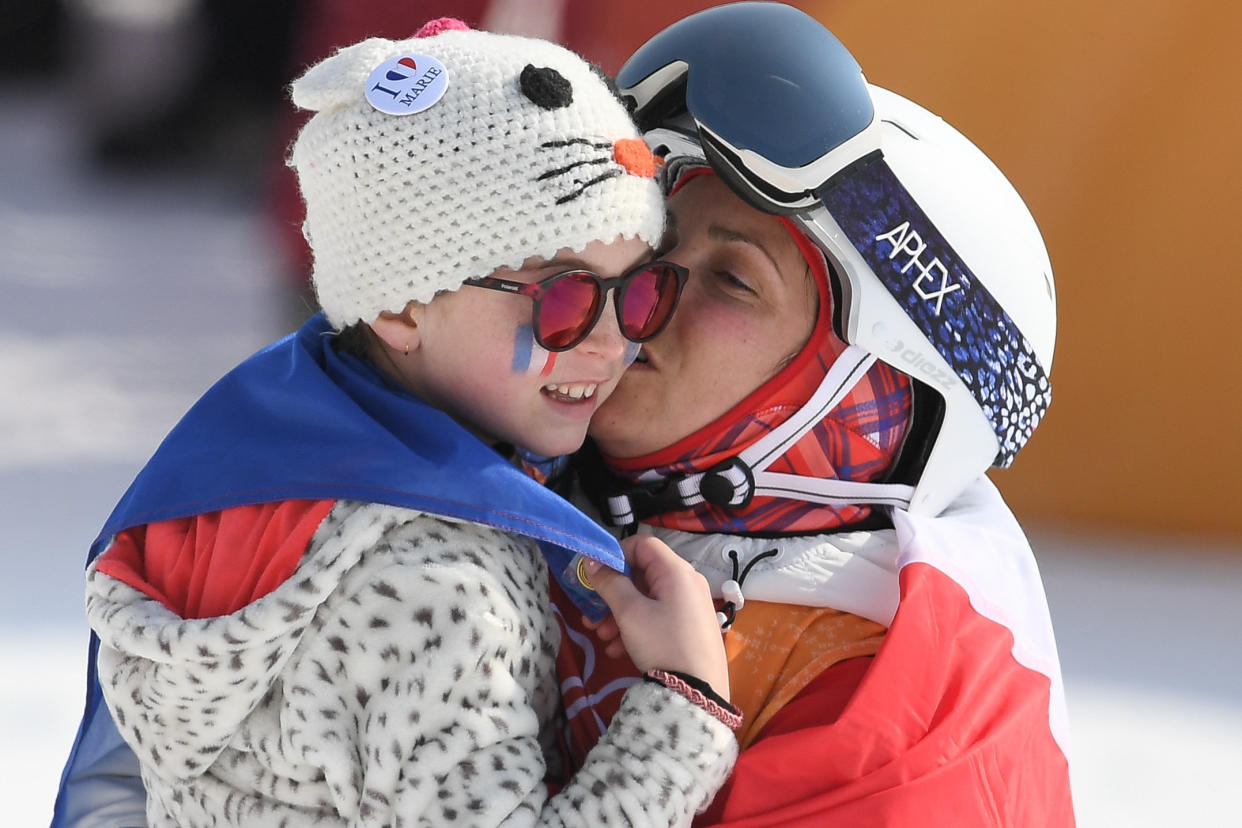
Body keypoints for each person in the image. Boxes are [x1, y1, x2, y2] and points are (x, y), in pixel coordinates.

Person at [53, 19, 739, 828]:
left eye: (638, 291)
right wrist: (685, 706)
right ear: (403, 308)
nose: (614, 340)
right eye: (563, 296)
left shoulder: (251, 473)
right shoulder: (442, 592)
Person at [550, 3, 1076, 826]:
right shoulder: (518, 460)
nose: (639, 294)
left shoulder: (897, 735)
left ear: (870, 393)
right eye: (656, 246)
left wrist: (678, 714)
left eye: (733, 278)